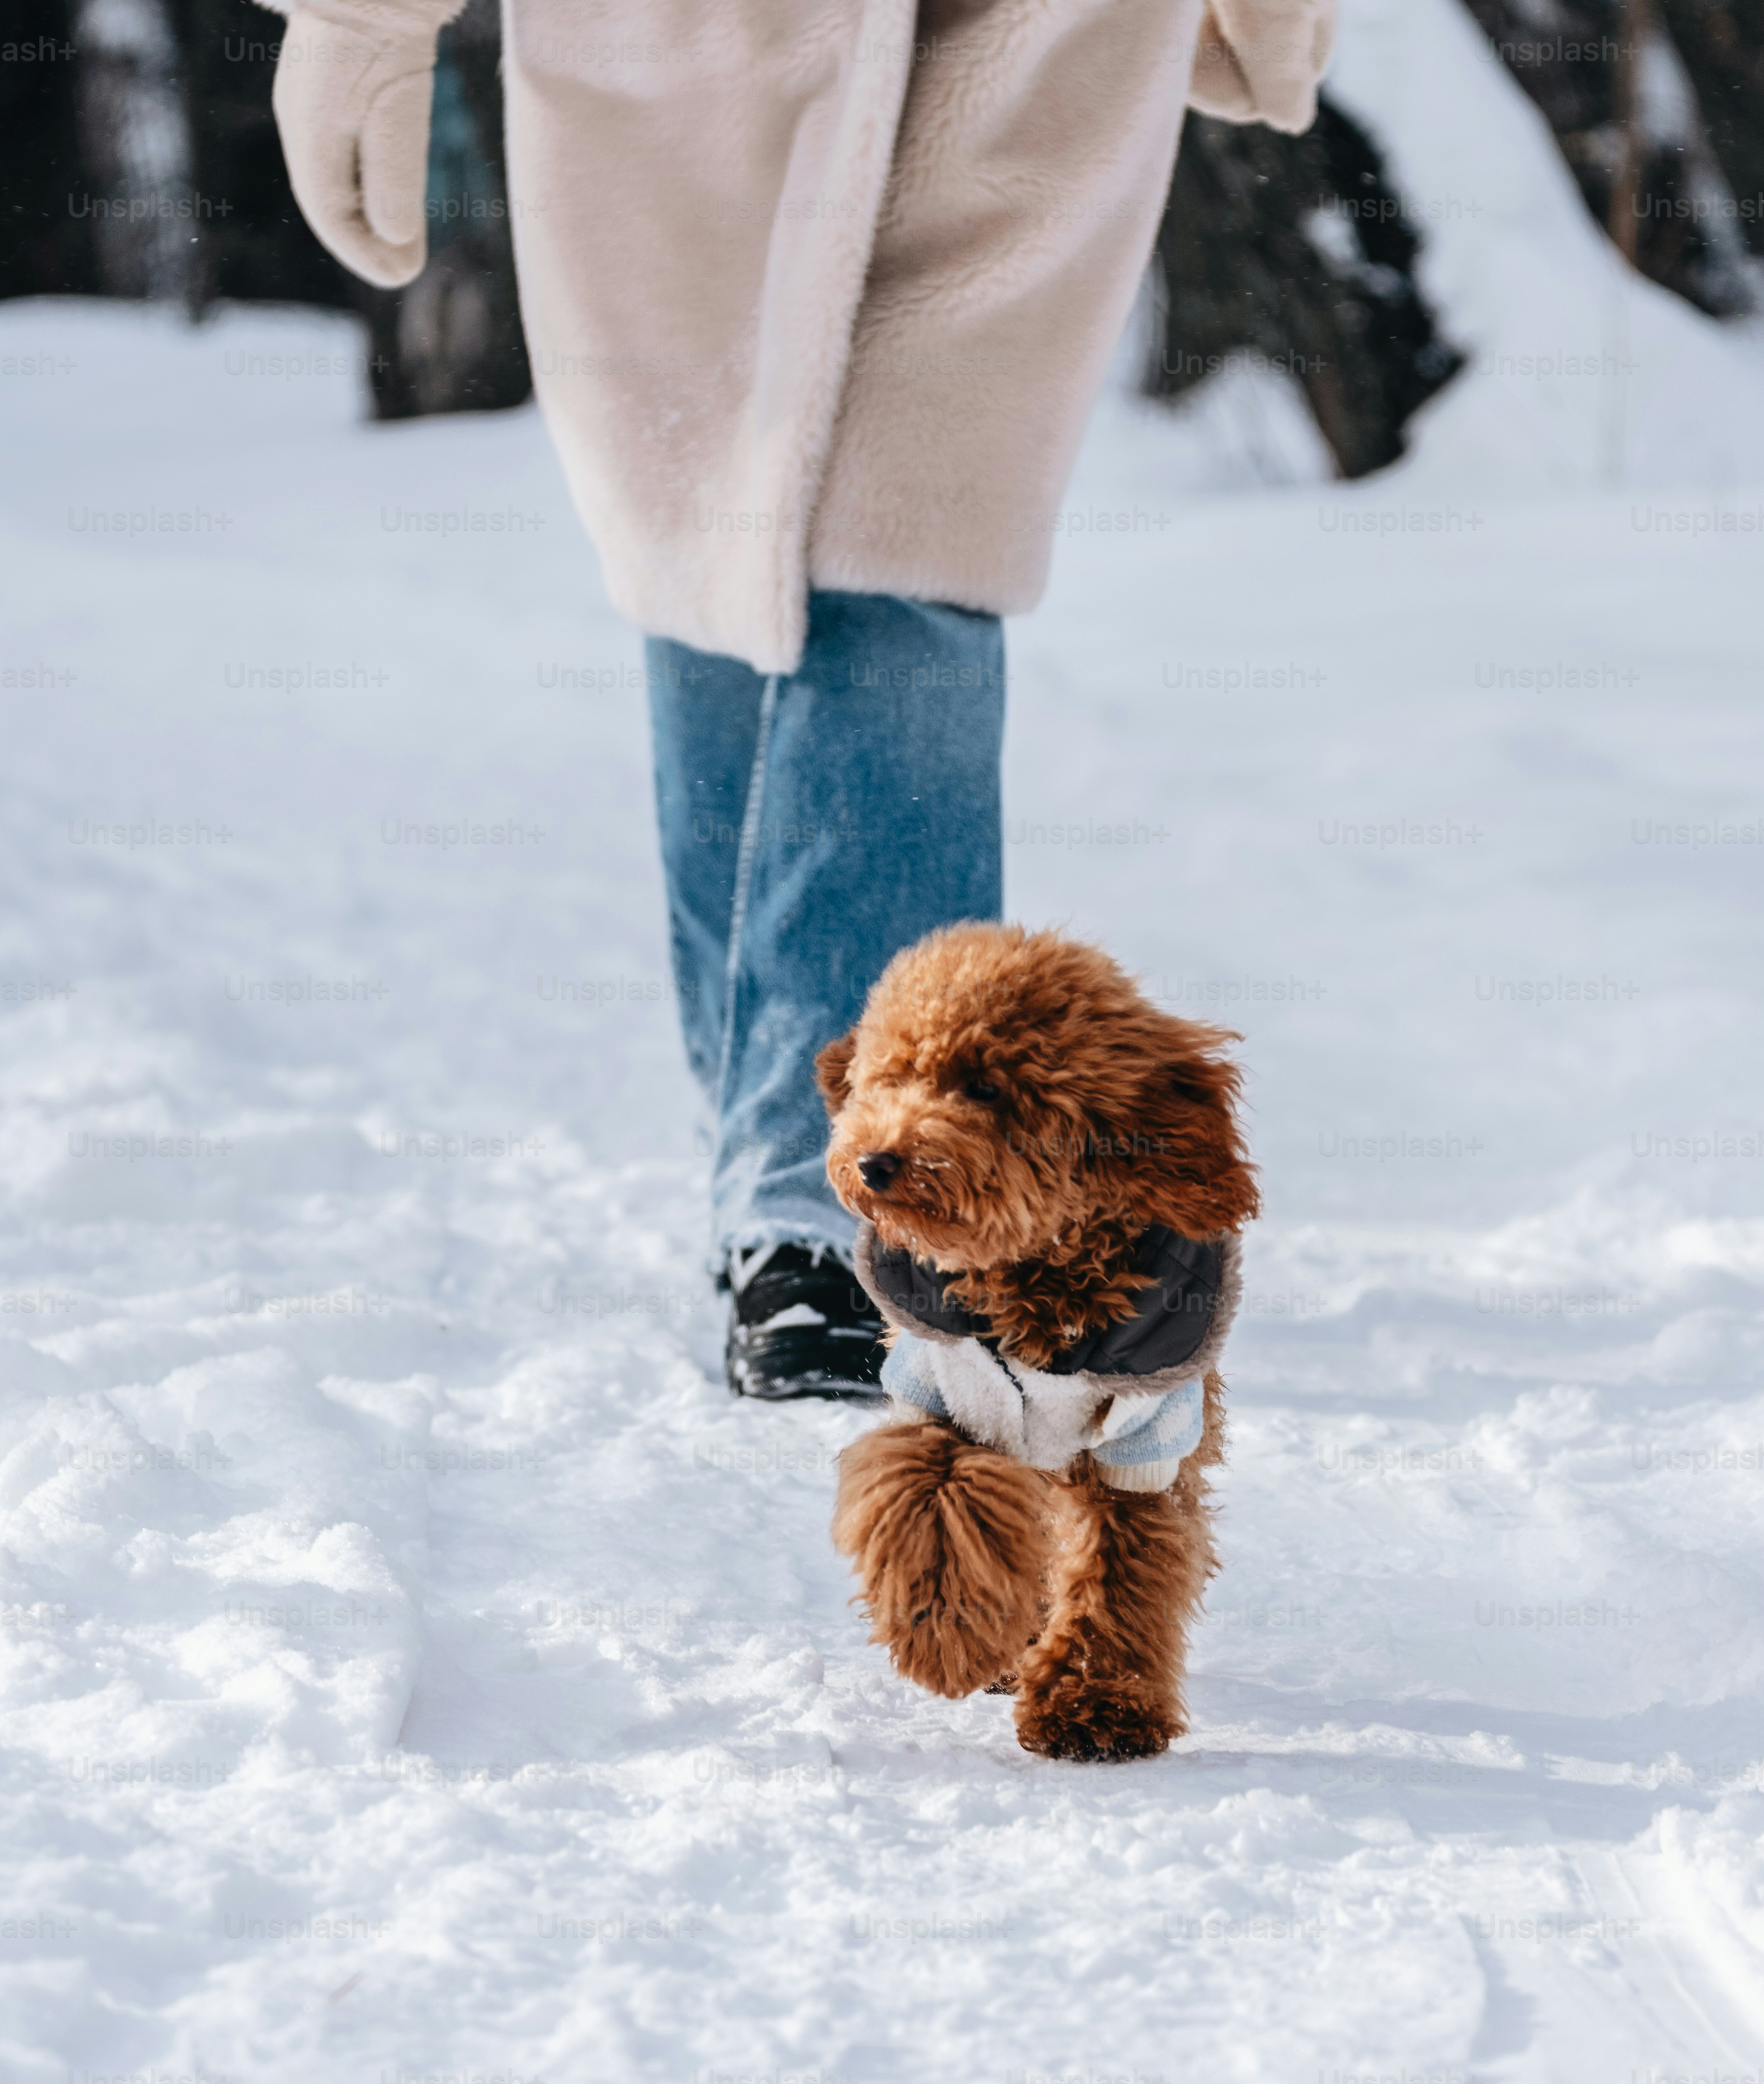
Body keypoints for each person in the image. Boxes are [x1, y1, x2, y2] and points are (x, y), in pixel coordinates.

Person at [271, 0, 1335, 1398]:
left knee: (914, 559)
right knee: (703, 553)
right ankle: (778, 1153)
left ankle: (829, 1212)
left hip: (1029, 44)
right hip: (675, 58)